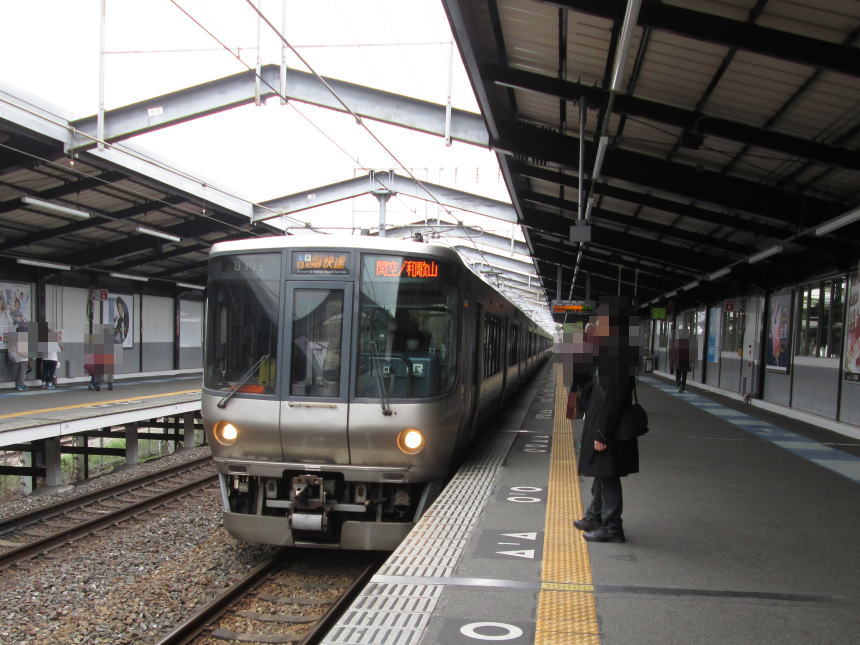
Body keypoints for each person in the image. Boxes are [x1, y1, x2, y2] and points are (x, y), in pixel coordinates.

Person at [573, 298, 639, 543]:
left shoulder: (617, 354)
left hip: (608, 428)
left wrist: (602, 433)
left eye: (599, 322)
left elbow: (613, 396)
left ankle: (612, 527)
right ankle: (594, 515)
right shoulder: (612, 350)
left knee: (608, 476)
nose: (595, 326)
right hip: (602, 423)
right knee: (602, 474)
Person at [567, 321, 597, 419]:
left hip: (581, 373)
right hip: (583, 373)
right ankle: (576, 415)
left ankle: (573, 415)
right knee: (580, 393)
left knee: (576, 393)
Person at [38, 323, 63, 389]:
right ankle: (49, 384)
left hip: (45, 359)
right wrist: (60, 348)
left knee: (45, 372)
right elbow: (58, 350)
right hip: (53, 359)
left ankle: (43, 384)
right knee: (51, 372)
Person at [7, 325, 31, 391]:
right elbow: (22, 351)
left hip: (15, 357)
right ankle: (20, 385)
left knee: (18, 372)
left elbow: (10, 349)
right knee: (22, 372)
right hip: (22, 358)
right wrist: (29, 356)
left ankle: (18, 384)